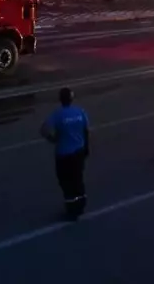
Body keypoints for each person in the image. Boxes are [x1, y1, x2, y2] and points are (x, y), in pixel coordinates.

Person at [40, 86, 90, 220]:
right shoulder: (80, 112)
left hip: (63, 154)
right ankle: (80, 205)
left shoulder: (57, 114)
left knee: (65, 181)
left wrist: (53, 139)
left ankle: (71, 209)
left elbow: (44, 129)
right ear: (72, 99)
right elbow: (86, 131)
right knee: (78, 179)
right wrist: (86, 148)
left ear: (60, 100)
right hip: (78, 152)